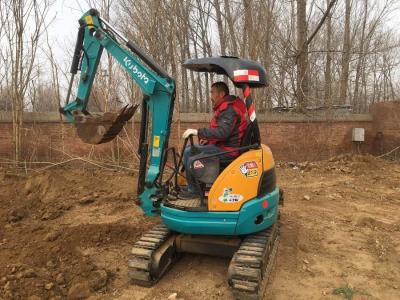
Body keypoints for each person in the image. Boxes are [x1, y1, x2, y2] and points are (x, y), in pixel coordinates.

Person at [179, 81, 248, 199]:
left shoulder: (229, 110)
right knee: (188, 150)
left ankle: (194, 190)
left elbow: (223, 133)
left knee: (192, 158)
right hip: (223, 146)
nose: (210, 96)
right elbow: (224, 132)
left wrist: (198, 132)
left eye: (212, 92)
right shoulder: (225, 108)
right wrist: (208, 141)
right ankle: (193, 187)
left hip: (229, 151)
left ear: (221, 94)